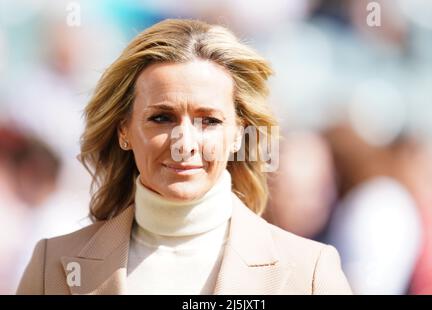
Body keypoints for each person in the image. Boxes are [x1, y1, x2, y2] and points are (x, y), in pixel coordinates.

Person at [16, 19, 351, 295]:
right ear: (124, 130)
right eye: (162, 118)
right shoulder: (53, 266)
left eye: (209, 121)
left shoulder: (309, 271)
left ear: (238, 133)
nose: (185, 144)